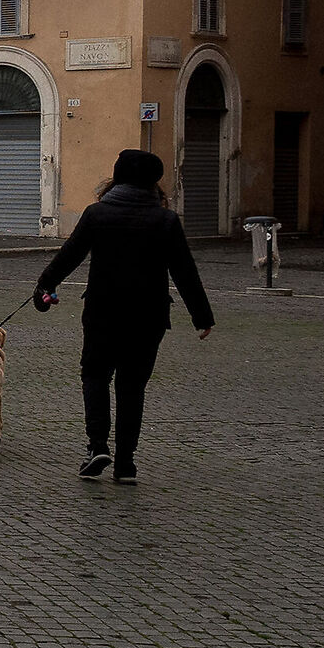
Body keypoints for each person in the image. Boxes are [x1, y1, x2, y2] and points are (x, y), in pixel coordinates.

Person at [34, 148, 214, 486]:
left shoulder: (97, 214)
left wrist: (45, 285)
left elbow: (69, 255)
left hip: (103, 311)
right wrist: (201, 316)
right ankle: (126, 465)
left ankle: (97, 447)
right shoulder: (166, 220)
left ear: (116, 178)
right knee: (132, 387)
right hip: (149, 317)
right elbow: (184, 271)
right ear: (153, 184)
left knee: (95, 376)